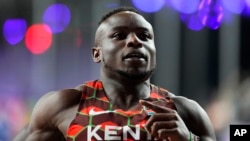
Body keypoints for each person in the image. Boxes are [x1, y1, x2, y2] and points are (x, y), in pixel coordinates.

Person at [13, 6, 216, 141]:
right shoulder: (63, 106)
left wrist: (191, 139)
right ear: (96, 53)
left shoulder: (185, 112)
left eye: (145, 36)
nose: (135, 41)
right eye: (120, 35)